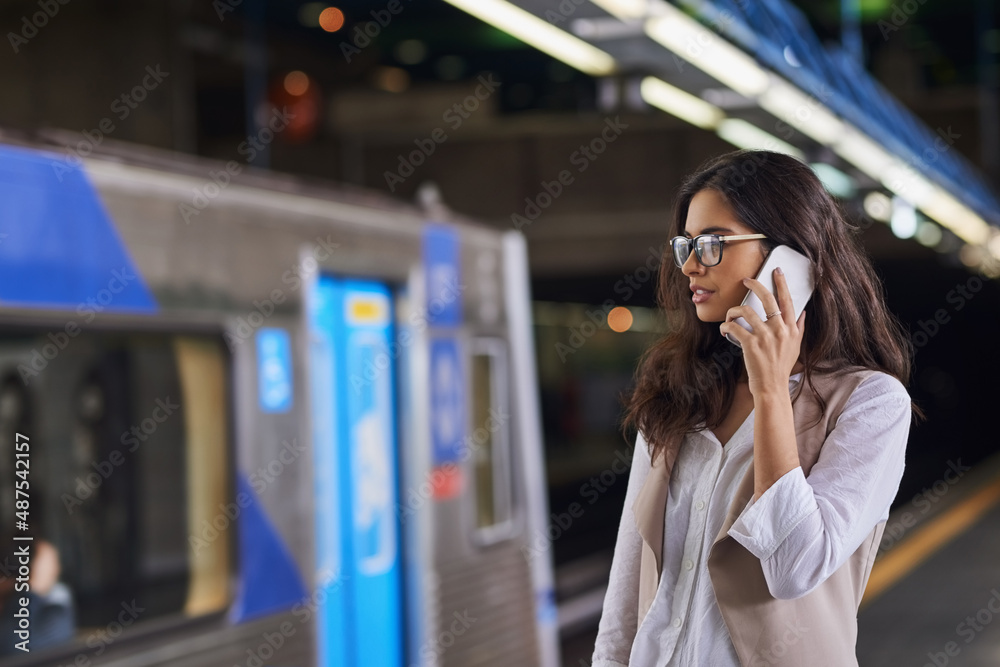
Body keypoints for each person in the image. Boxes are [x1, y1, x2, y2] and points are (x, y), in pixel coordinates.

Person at [591, 149, 925, 667]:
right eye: (686, 244)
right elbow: (627, 589)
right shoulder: (677, 390)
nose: (691, 265)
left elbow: (795, 565)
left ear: (788, 259)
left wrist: (770, 390)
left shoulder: (870, 403)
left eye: (714, 244)